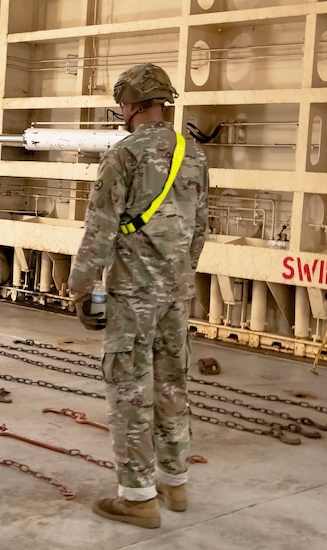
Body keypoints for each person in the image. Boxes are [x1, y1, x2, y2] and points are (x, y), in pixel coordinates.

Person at [68, 63, 209, 528]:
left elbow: (101, 229)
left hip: (133, 293)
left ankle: (138, 497)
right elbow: (199, 230)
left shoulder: (123, 156)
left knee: (130, 389)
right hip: (176, 292)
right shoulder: (194, 155)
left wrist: (81, 286)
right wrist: (179, 275)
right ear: (162, 102)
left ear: (129, 105)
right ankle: (176, 482)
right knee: (172, 384)